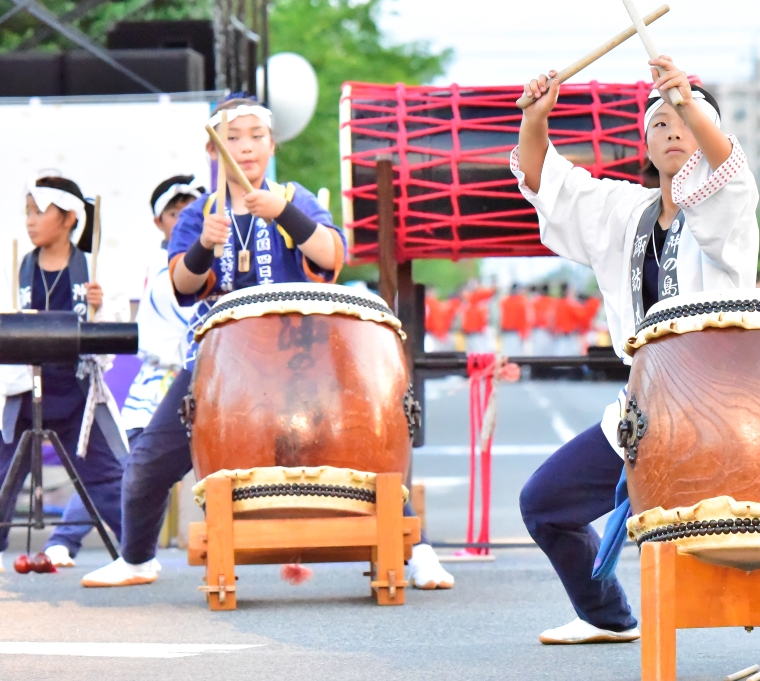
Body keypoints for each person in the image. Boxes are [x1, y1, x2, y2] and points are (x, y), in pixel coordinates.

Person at [513, 58, 760, 667]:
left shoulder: (727, 206)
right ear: (644, 143)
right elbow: (550, 180)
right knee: (544, 504)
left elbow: (726, 169)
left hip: (726, 408)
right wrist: (535, 119)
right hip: (644, 411)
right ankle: (606, 614)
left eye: (686, 118)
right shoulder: (622, 212)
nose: (673, 127)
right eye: (659, 120)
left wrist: (689, 99)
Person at [80, 98, 457, 588]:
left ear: (271, 144)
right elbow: (182, 285)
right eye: (233, 137)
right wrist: (203, 246)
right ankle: (136, 559)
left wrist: (284, 213)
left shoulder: (293, 196)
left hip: (305, 357)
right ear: (214, 150)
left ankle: (418, 550)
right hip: (222, 366)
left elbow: (333, 255)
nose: (246, 146)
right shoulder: (202, 213)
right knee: (149, 462)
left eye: (256, 135)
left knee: (362, 455)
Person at [44, 174, 202, 568]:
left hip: (212, 378)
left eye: (191, 209)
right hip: (162, 385)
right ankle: (117, 549)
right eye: (174, 211)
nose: (183, 216)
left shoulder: (221, 257)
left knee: (141, 472)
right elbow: (119, 314)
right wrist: (98, 300)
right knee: (129, 472)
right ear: (158, 222)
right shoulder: (155, 264)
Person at [0, 178, 127, 572]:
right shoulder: (14, 266)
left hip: (76, 392)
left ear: (70, 217)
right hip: (24, 392)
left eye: (39, 212)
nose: (31, 222)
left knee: (107, 477)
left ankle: (138, 554)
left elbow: (113, 336)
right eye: (27, 213)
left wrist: (100, 308)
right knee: (2, 476)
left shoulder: (93, 269)